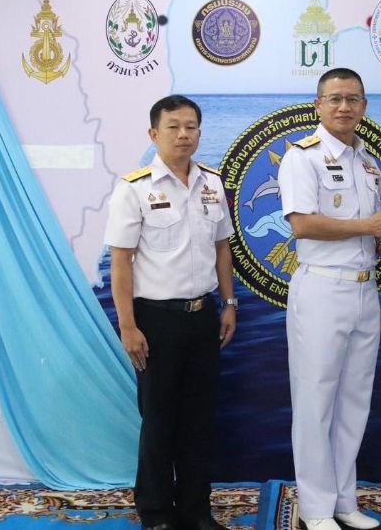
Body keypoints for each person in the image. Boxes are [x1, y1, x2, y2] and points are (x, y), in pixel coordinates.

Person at [277, 68, 381, 530]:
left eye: (353, 99)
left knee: (355, 400)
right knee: (315, 402)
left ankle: (343, 501)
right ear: (318, 105)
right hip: (322, 289)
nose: (344, 107)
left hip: (364, 288)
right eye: (334, 98)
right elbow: (303, 225)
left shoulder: (368, 163)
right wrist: (369, 226)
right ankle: (316, 510)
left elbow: (371, 235)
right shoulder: (303, 158)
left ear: (364, 107)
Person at [105, 94, 238, 530]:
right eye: (173, 127)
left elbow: (222, 248)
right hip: (155, 320)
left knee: (199, 420)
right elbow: (121, 262)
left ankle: (196, 511)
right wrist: (128, 326)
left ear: (199, 132)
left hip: (203, 317)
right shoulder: (135, 188)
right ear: (153, 134)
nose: (183, 135)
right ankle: (157, 513)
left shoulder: (212, 183)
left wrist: (229, 303)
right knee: (160, 421)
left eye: (191, 127)